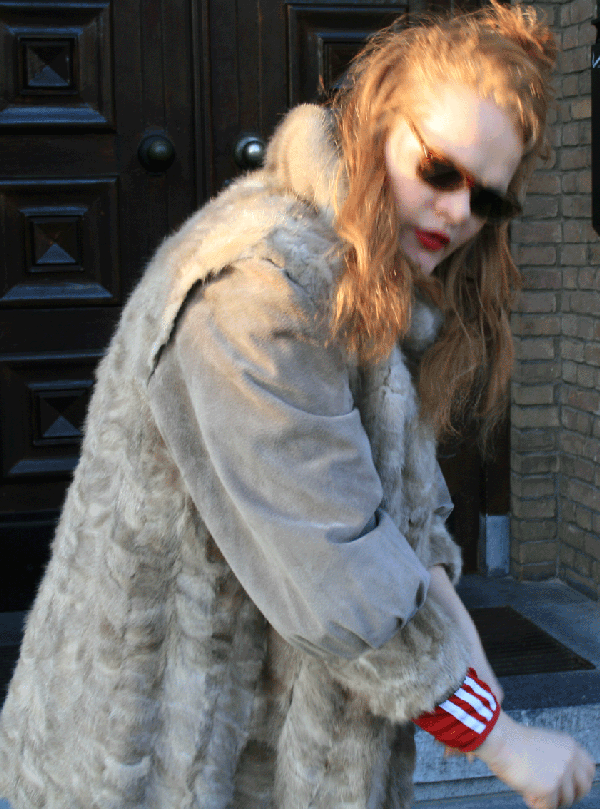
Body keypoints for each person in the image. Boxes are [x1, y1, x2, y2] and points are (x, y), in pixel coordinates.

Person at [0, 3, 596, 809]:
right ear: (375, 126)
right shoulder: (258, 287)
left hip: (264, 748)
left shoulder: (364, 285)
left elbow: (410, 538)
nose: (459, 213)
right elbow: (338, 566)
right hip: (155, 755)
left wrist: (481, 686)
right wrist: (498, 737)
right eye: (439, 170)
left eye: (486, 199)